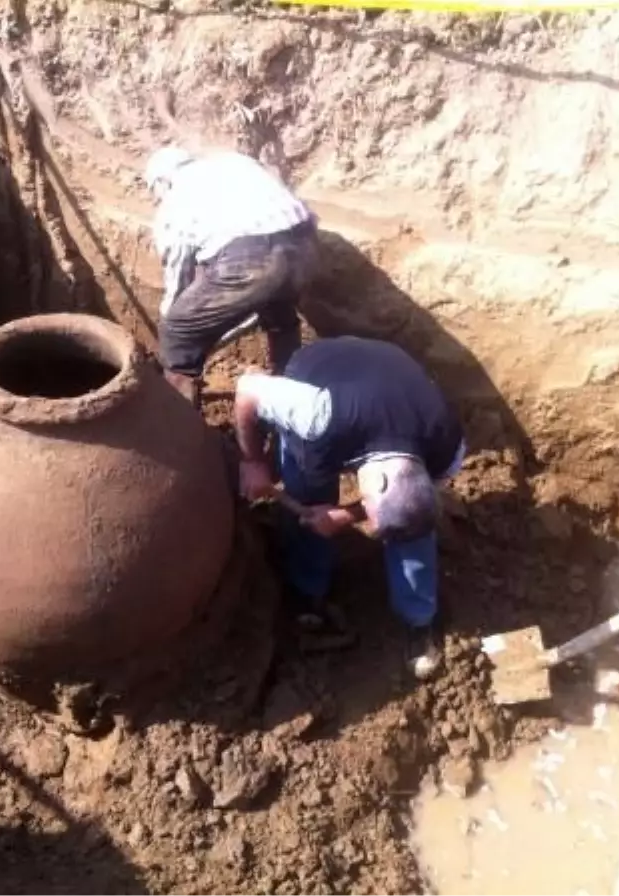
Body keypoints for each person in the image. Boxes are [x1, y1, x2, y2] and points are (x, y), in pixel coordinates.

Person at [233, 336, 466, 679]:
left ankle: (419, 619)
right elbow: (247, 389)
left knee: (412, 523)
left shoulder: (445, 445)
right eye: (369, 513)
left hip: (390, 390)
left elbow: (416, 496)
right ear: (378, 486)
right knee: (308, 491)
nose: (366, 522)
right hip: (325, 372)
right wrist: (252, 461)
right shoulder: (314, 415)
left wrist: (346, 515)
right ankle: (306, 589)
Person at [144, 146, 322, 407]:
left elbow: (178, 273)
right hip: (307, 246)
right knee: (277, 308)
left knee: (177, 330)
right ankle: (288, 392)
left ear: (162, 181)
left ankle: (181, 424)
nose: (157, 200)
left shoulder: (175, 200)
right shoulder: (235, 162)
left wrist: (172, 326)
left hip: (251, 261)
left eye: (154, 194)